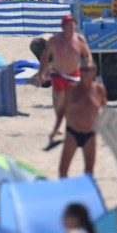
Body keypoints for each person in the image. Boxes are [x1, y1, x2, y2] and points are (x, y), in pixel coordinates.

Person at [38, 16, 93, 148]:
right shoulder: (55, 40)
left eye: (73, 26)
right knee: (61, 98)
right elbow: (45, 57)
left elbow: (87, 55)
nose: (72, 28)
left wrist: (88, 64)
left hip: (74, 74)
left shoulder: (79, 39)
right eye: (69, 26)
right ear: (63, 27)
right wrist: (41, 73)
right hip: (57, 73)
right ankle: (60, 125)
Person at [58, 62, 106, 177]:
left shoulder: (99, 89)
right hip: (72, 132)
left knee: (89, 171)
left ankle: (85, 194)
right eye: (83, 69)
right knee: (63, 170)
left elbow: (105, 110)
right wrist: (57, 126)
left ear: (94, 72)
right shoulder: (72, 88)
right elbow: (62, 109)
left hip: (90, 133)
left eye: (87, 70)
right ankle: (65, 193)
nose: (84, 72)